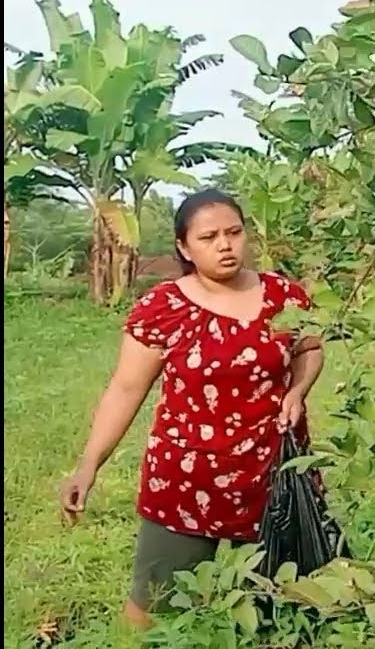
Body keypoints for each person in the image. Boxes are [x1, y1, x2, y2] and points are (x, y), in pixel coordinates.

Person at [58, 189, 325, 628]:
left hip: (274, 476)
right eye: (208, 237)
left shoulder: (282, 296)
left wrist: (297, 391)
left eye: (233, 232)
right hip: (186, 481)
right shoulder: (164, 308)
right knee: (154, 607)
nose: (225, 245)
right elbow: (126, 388)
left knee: (283, 606)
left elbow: (310, 348)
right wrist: (89, 465)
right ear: (184, 247)